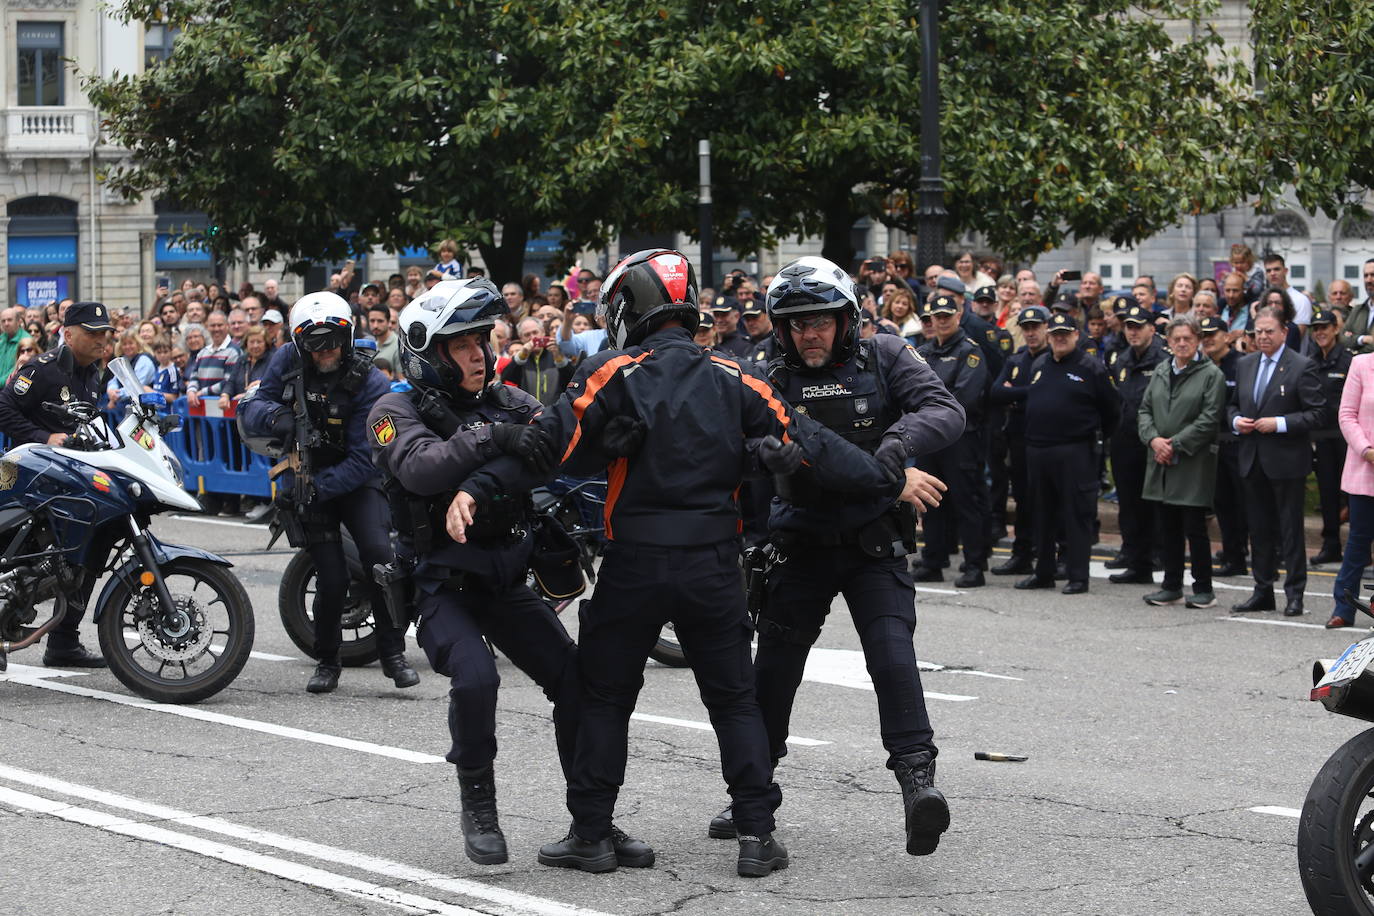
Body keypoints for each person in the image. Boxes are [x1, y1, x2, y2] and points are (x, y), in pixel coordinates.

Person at [448, 249, 924, 877]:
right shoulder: (737, 377)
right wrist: (888, 482)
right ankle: (757, 836)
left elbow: (542, 448)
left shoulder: (607, 373)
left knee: (605, 697)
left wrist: (478, 489)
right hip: (712, 568)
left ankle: (591, 834)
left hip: (634, 565)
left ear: (631, 306)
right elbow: (815, 445)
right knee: (733, 701)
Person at [707, 256, 964, 859]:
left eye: (820, 320)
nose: (808, 334)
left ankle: (918, 787)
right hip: (798, 545)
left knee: (894, 661)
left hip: (873, 544)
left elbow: (944, 410)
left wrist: (897, 448)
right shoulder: (762, 373)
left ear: (845, 318)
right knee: (771, 674)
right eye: (795, 323)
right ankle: (754, 791)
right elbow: (732, 450)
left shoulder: (887, 356)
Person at [366, 278, 604, 866]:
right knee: (475, 680)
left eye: (481, 340)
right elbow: (422, 469)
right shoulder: (392, 409)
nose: (480, 353)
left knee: (576, 682)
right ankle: (479, 806)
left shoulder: (511, 400)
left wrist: (497, 449)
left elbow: (550, 446)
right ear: (429, 353)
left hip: (506, 583)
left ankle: (590, 822)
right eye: (463, 345)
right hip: (442, 588)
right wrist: (494, 439)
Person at [239, 292, 420, 692]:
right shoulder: (286, 360)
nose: (326, 351)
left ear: (349, 336)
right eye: (315, 343)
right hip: (307, 476)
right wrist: (277, 416)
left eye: (334, 340)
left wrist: (319, 488)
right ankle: (327, 660)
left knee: (379, 558)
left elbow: (364, 458)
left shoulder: (371, 380)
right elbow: (252, 406)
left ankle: (393, 654)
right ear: (300, 343)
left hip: (356, 480)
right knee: (332, 577)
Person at [0, 302, 116, 667]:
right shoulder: (41, 369)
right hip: (23, 476)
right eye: (93, 332)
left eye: (105, 332)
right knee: (13, 558)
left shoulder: (94, 374)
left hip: (67, 482)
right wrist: (42, 436)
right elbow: (3, 409)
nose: (102, 339)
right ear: (68, 334)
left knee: (90, 550)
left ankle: (63, 642)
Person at [1228, 307, 1326, 616]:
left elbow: (1318, 413)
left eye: (1270, 331)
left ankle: (1294, 593)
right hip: (1252, 458)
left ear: (1284, 332)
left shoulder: (1301, 366)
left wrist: (1280, 423)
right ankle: (1262, 590)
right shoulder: (1244, 365)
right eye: (1258, 331)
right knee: (1258, 530)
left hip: (1286, 461)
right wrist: (1236, 421)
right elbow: (1230, 406)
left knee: (1290, 530)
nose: (1263, 337)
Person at [1015, 313, 1121, 595]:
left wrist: (1091, 437)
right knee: (1042, 514)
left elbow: (1112, 411)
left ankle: (1077, 576)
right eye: (1055, 333)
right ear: (1049, 336)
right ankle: (1044, 572)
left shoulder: (1091, 367)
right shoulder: (1039, 364)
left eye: (1066, 333)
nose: (1060, 338)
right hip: (1038, 450)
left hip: (1075, 451)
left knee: (1076, 516)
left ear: (1076, 335)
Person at [1137, 317, 1227, 608]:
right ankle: (1171, 585)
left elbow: (1209, 419)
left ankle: (1203, 589)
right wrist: (1153, 440)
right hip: (1160, 459)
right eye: (1176, 339)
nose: (1182, 343)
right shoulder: (1162, 370)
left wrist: (1174, 444)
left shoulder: (1211, 374)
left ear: (1198, 339)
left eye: (1188, 338)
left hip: (1192, 462)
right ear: (1168, 341)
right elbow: (1145, 410)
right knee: (1168, 527)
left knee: (1194, 528)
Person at [911, 294, 990, 587]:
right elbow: (908, 390)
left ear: (959, 316)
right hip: (929, 440)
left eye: (947, 315)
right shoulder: (922, 352)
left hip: (960, 439)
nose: (942, 321)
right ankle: (933, 560)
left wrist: (927, 414)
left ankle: (974, 565)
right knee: (929, 501)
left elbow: (965, 397)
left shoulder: (971, 352)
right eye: (937, 316)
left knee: (966, 502)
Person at [1104, 306, 1167, 584]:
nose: (1133, 331)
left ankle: (1157, 553)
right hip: (1124, 441)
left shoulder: (1164, 359)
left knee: (1154, 502)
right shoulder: (1121, 359)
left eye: (1139, 326)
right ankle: (1134, 556)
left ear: (1152, 329)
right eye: (1129, 326)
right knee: (1128, 503)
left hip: (1152, 442)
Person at [987, 305, 1051, 575]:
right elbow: (997, 392)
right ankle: (1022, 554)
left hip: (1047, 438)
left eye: (1036, 327)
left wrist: (1019, 394)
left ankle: (1051, 554)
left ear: (1046, 327)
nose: (1031, 332)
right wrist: (1031, 392)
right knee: (1024, 499)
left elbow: (1050, 394)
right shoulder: (1017, 360)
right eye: (1026, 328)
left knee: (1048, 499)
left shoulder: (1054, 358)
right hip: (1019, 438)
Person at [1199, 316, 1249, 577]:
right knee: (1222, 503)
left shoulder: (1240, 365)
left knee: (1242, 504)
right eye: (1204, 334)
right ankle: (1232, 554)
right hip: (1212, 444)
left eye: (1213, 334)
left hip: (1236, 443)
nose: (1208, 339)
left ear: (1227, 336)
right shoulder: (1203, 366)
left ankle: (1244, 555)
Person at [1303, 308, 1353, 565]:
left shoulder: (1348, 359)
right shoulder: (1310, 361)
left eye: (1325, 327)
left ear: (1335, 329)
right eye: (1316, 328)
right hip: (1322, 437)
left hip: (1347, 438)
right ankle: (1331, 543)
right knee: (1327, 492)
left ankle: (1359, 547)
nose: (1320, 332)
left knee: (1354, 493)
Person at [1327, 350, 1374, 627]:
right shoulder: (1361, 364)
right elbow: (1346, 414)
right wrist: (1365, 449)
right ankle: (1343, 608)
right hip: (1364, 468)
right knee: (1358, 542)